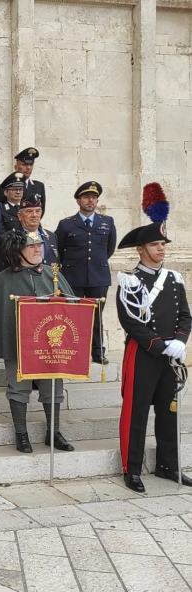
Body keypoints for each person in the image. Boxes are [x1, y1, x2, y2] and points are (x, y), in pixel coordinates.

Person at [115, 187, 191, 492]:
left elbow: (186, 315)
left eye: (162, 244)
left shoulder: (174, 279)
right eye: (155, 244)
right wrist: (160, 345)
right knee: (136, 411)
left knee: (169, 411)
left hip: (171, 357)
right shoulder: (129, 281)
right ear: (140, 249)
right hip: (144, 354)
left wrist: (181, 341)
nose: (161, 249)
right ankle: (131, 469)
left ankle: (168, 465)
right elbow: (131, 322)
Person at [0, 230, 76, 454]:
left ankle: (54, 432)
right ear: (18, 251)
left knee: (53, 387)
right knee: (18, 388)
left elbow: (71, 308)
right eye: (31, 246)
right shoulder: (5, 278)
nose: (37, 249)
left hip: (51, 346)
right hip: (19, 346)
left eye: (39, 245)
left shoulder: (54, 274)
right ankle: (21, 433)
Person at [56, 181, 116, 365]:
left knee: (96, 316)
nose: (90, 200)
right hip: (73, 278)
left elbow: (109, 249)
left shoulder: (107, 222)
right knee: (71, 317)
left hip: (98, 277)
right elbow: (59, 249)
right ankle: (72, 351)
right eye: (86, 197)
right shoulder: (66, 224)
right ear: (78, 200)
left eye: (93, 197)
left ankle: (97, 353)